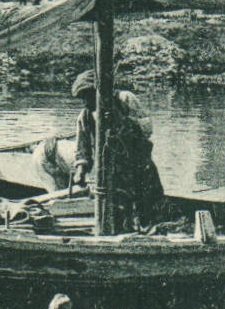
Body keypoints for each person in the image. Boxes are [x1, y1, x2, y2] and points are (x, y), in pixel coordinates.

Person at [69, 68, 164, 229]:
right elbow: (82, 149)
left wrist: (121, 120)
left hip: (139, 165)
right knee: (118, 210)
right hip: (112, 171)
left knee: (149, 206)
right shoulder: (84, 116)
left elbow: (147, 128)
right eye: (82, 98)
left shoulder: (125, 99)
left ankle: (153, 232)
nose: (86, 102)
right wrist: (81, 170)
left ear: (98, 91)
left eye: (88, 95)